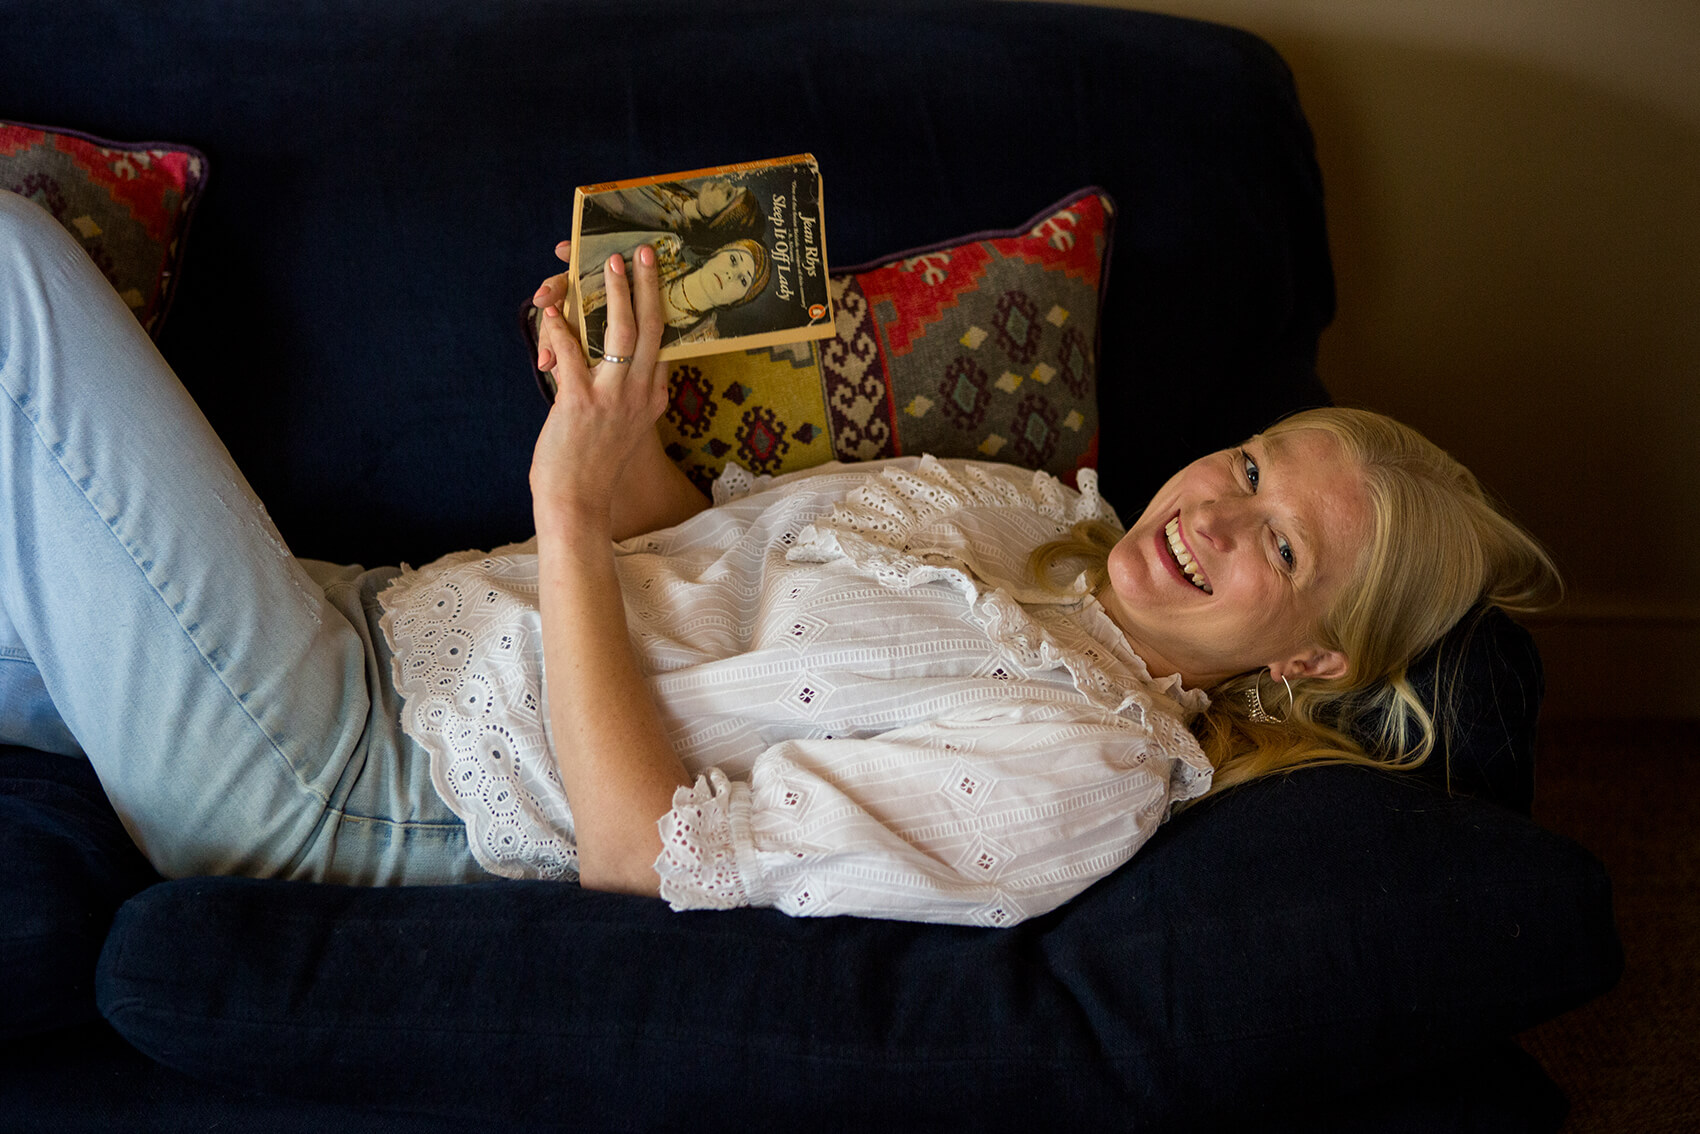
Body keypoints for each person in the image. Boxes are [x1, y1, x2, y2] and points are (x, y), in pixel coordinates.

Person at [0, 191, 1558, 926]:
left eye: (1276, 540)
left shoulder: (1084, 761)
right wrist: (609, 441)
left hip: (347, 770)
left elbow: (640, 848)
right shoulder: (1035, 513)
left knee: (17, 269)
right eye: (1245, 462)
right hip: (353, 619)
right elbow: (699, 560)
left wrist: (557, 513)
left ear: (1308, 660)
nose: (1209, 512)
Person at [571, 230, 768, 360]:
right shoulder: (665, 249)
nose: (731, 274)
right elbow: (587, 256)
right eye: (733, 259)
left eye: (744, 281)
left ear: (739, 301)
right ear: (719, 251)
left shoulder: (702, 340)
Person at [577, 178, 763, 250]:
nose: (725, 184)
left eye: (729, 195)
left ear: (718, 222)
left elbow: (611, 198)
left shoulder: (663, 222)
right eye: (733, 187)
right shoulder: (683, 193)